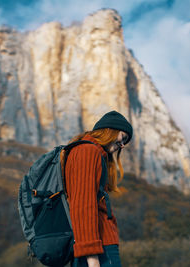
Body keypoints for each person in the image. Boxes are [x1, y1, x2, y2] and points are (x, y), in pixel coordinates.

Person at [61, 110, 133, 267]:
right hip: (99, 248)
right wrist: (92, 259)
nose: (122, 145)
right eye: (123, 138)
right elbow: (82, 206)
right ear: (110, 131)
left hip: (94, 246)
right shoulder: (87, 151)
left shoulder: (86, 151)